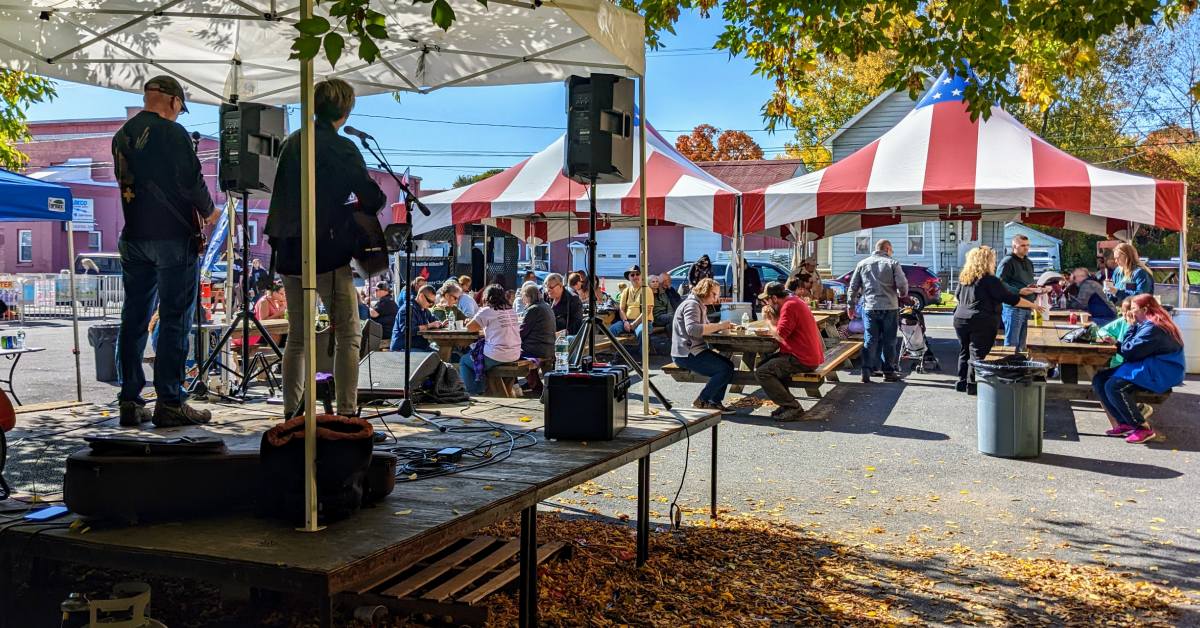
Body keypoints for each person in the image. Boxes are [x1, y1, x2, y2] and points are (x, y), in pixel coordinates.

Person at [267, 78, 383, 418]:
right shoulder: (340, 146)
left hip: (288, 247)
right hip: (327, 248)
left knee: (299, 337)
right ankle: (347, 413)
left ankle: (293, 414)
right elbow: (371, 197)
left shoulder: (293, 142)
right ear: (345, 110)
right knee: (348, 331)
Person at [111, 75, 218, 427]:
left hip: (134, 236)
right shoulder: (174, 133)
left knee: (134, 318)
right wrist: (209, 211)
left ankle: (129, 400)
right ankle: (170, 402)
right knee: (175, 319)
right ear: (173, 101)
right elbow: (191, 180)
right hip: (173, 237)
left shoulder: (121, 136)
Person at [1092, 294, 1185, 444]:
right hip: (1149, 364)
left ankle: (1142, 428)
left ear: (1145, 309)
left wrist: (1131, 326)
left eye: (1134, 309)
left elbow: (1130, 352)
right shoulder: (1148, 324)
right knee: (1099, 379)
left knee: (1114, 386)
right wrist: (1118, 342)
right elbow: (1133, 348)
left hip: (1163, 370)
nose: (1131, 313)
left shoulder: (1154, 327)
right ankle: (1125, 422)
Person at [953, 247, 1042, 394]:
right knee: (978, 353)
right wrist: (1033, 305)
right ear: (987, 261)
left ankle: (962, 382)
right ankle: (973, 384)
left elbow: (957, 296)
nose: (994, 262)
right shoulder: (990, 280)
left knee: (964, 350)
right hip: (982, 320)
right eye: (992, 259)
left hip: (960, 319)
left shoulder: (964, 279)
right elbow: (1010, 298)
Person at [756, 282, 825, 420]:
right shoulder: (794, 301)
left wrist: (767, 321)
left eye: (767, 300)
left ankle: (792, 407)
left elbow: (780, 335)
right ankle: (786, 404)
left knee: (763, 372)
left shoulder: (789, 306)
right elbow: (785, 328)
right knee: (764, 365)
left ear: (774, 298)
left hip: (802, 358)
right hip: (805, 354)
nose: (766, 303)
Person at [670, 277, 735, 413]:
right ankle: (703, 400)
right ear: (705, 291)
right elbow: (693, 329)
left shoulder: (697, 304)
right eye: (714, 294)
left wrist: (718, 327)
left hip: (693, 351)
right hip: (686, 354)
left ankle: (714, 401)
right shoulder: (692, 304)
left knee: (728, 365)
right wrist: (720, 325)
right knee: (724, 369)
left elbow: (703, 327)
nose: (716, 298)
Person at [848, 239, 908, 383]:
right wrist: (902, 294)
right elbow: (902, 284)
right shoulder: (893, 263)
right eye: (891, 250)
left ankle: (866, 371)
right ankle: (888, 372)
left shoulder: (862, 264)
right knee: (889, 341)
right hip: (889, 307)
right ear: (887, 249)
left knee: (870, 339)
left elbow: (853, 286)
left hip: (870, 307)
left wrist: (850, 305)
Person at [459, 285, 522, 395]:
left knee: (464, 360)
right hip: (515, 353)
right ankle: (482, 390)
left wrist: (472, 320)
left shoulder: (487, 310)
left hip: (497, 354)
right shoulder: (511, 310)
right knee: (478, 357)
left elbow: (470, 328)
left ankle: (473, 392)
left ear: (486, 297)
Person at [997, 234, 1040, 351]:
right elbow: (999, 283)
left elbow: (1025, 281)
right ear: (1014, 246)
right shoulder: (1007, 261)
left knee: (1022, 346)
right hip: (1013, 307)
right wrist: (1018, 290)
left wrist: (1036, 289)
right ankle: (1009, 369)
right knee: (1012, 345)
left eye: (1028, 245)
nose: (1026, 248)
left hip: (1027, 306)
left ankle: (1018, 369)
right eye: (1022, 245)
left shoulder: (1029, 262)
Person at [519, 282, 557, 394]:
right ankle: (534, 384)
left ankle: (533, 384)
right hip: (548, 346)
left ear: (529, 296)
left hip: (537, 348)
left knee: (510, 353)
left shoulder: (533, 309)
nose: (522, 299)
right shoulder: (546, 306)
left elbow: (522, 332)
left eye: (523, 297)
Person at [391, 284, 443, 351]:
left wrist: (441, 324)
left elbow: (434, 320)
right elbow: (407, 330)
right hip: (403, 348)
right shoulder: (407, 309)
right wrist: (429, 326)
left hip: (419, 346)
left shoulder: (424, 309)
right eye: (429, 301)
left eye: (433, 303)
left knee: (439, 352)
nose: (431, 304)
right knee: (435, 354)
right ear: (421, 296)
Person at [609, 266, 653, 340]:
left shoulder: (647, 290)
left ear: (641, 276)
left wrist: (635, 324)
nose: (635, 276)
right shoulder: (626, 291)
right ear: (629, 278)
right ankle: (617, 350)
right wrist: (625, 321)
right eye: (632, 275)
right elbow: (621, 309)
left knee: (641, 332)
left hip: (643, 322)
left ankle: (642, 351)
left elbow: (647, 310)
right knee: (611, 330)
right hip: (627, 321)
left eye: (637, 274)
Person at [1098, 298, 1136, 367]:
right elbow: (1102, 330)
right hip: (1118, 362)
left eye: (1130, 311)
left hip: (1133, 363)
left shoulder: (1142, 324)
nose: (1127, 314)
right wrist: (1108, 336)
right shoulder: (1122, 321)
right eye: (1124, 311)